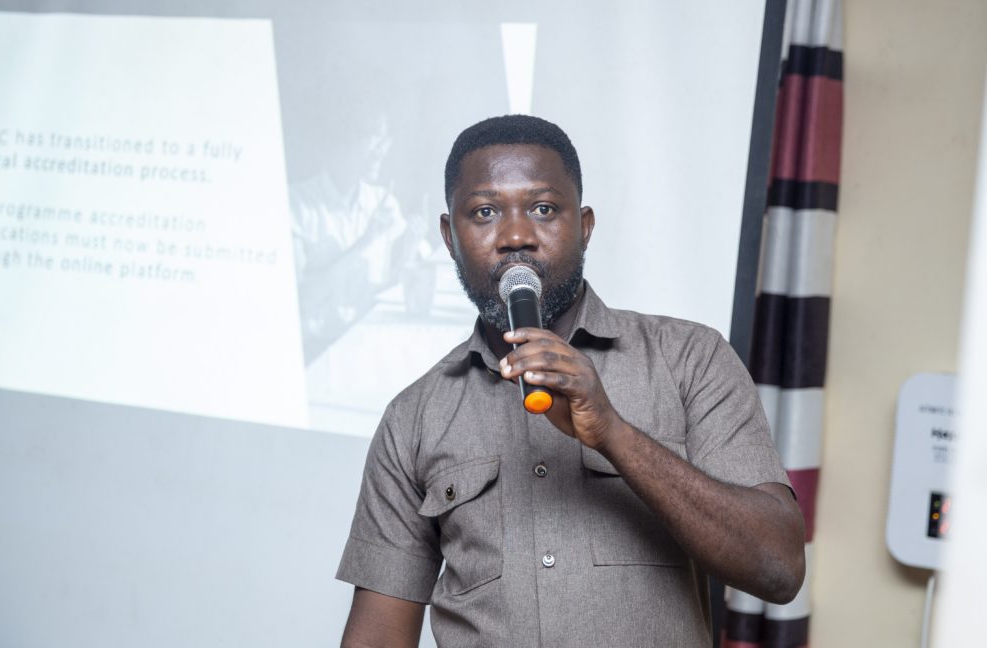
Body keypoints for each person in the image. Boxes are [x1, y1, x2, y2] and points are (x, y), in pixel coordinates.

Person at [336, 115, 805, 647]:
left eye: (543, 209)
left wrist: (613, 433)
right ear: (449, 237)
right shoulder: (413, 417)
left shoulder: (690, 359)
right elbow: (377, 636)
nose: (516, 237)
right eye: (485, 212)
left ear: (584, 225)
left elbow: (778, 568)